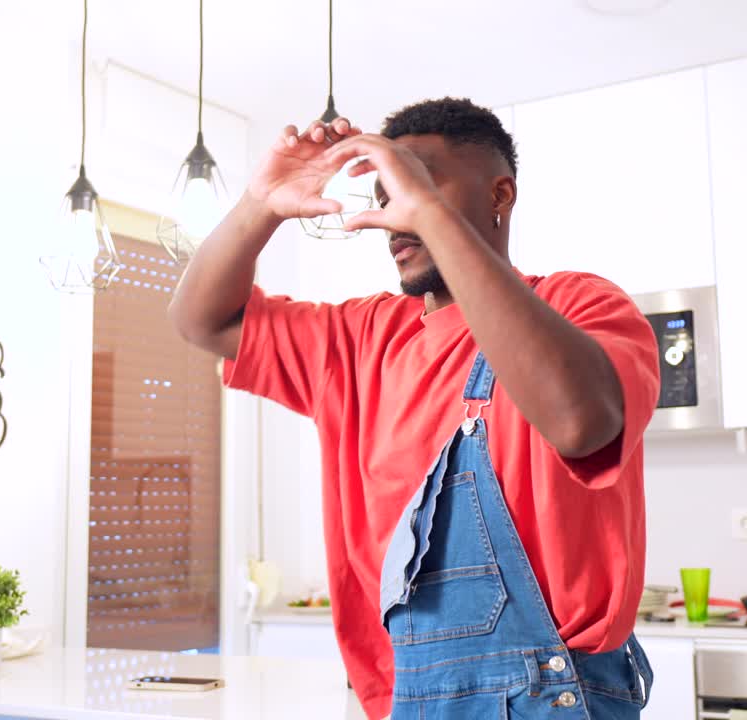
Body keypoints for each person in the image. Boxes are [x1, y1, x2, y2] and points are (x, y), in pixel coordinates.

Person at [169, 97, 659, 719]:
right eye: (384, 195)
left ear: (500, 195)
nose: (392, 217)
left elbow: (579, 420)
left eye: (414, 185)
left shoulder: (576, 305)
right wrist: (259, 205)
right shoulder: (358, 338)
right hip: (401, 698)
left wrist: (427, 210)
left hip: (551, 699)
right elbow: (200, 320)